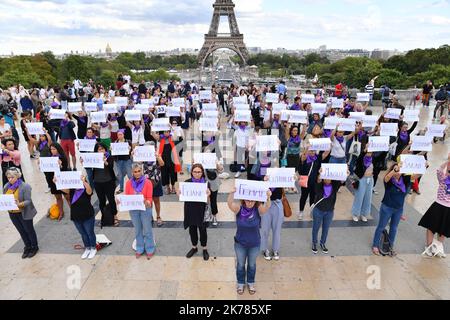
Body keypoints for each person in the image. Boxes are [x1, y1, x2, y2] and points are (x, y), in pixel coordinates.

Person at [227, 187, 271, 295]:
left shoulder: (258, 209)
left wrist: (268, 197)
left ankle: (251, 282)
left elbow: (267, 207)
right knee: (241, 264)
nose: (250, 203)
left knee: (251, 265)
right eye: (247, 200)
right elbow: (229, 204)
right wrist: (231, 193)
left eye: (252, 200)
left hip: (254, 244)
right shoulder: (239, 209)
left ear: (255, 200)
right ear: (243, 200)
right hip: (240, 243)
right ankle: (241, 283)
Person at [372, 162, 422, 256]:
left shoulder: (405, 180)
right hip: (387, 208)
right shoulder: (389, 181)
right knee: (381, 227)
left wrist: (424, 167)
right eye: (396, 169)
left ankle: (390, 247)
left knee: (394, 228)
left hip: (398, 209)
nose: (398, 171)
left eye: (399, 170)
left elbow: (416, 176)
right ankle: (375, 245)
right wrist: (395, 169)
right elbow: (386, 178)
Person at [177, 164, 212, 261]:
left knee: (203, 230)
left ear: (202, 173)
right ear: (191, 172)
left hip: (201, 210)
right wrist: (179, 193)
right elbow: (182, 197)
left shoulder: (206, 183)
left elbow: (208, 202)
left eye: (199, 172)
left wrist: (208, 195)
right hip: (190, 210)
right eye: (195, 172)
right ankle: (194, 247)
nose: (197, 174)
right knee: (192, 229)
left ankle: (204, 248)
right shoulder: (187, 183)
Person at [122, 163, 156, 259]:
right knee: (137, 230)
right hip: (134, 210)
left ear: (142, 171)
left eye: (139, 171)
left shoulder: (148, 182)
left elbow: (149, 197)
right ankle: (140, 248)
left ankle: (150, 248)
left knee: (147, 229)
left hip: (145, 209)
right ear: (132, 172)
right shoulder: (128, 183)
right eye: (135, 172)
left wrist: (148, 202)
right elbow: (127, 197)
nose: (137, 173)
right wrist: (120, 201)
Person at [3, 167, 38, 259]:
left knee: (29, 230)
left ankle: (34, 247)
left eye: (12, 177)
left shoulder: (25, 186)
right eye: (8, 177)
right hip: (12, 213)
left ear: (17, 177)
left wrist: (20, 204)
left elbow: (28, 201)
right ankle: (27, 246)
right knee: (21, 231)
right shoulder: (6, 186)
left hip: (24, 212)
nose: (10, 179)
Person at [419, 156, 450, 257]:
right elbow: (439, 170)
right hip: (438, 205)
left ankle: (437, 248)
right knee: (431, 227)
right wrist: (448, 161)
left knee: (443, 231)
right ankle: (428, 247)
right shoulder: (443, 179)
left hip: (448, 208)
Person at [311, 168, 346, 254]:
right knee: (316, 227)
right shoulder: (319, 185)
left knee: (326, 229)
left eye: (328, 177)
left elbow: (342, 181)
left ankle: (323, 243)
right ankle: (314, 243)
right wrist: (320, 174)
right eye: (325, 177)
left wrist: (346, 174)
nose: (327, 179)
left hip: (329, 211)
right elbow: (318, 180)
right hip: (318, 210)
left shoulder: (335, 185)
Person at [91, 143, 119, 227]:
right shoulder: (93, 158)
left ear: (105, 150)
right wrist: (83, 161)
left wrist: (105, 161)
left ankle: (115, 215)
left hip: (108, 181)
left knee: (111, 199)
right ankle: (104, 216)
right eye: (99, 149)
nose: (101, 151)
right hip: (97, 182)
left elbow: (111, 167)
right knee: (101, 200)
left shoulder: (109, 157)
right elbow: (88, 166)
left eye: (102, 149)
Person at [70, 175, 97, 260]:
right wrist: (56, 181)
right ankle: (87, 248)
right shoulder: (71, 190)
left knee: (90, 233)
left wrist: (84, 181)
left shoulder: (85, 190)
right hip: (76, 216)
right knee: (83, 234)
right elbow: (63, 189)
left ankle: (93, 248)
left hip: (87, 216)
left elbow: (90, 191)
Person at [143, 141, 165, 227]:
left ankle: (158, 216)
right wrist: (134, 153)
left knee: (156, 200)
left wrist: (158, 157)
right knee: (148, 200)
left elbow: (162, 164)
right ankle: (149, 216)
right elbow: (136, 161)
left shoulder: (157, 155)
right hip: (146, 182)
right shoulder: (143, 156)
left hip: (156, 181)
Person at [47, 143, 71, 220]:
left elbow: (65, 170)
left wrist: (60, 166)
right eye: (51, 149)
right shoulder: (49, 159)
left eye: (54, 149)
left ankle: (74, 211)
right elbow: (46, 171)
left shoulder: (63, 158)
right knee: (58, 197)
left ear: (58, 149)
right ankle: (61, 212)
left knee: (67, 197)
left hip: (62, 180)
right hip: (53, 180)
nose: (52, 151)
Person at [351, 146, 374, 222]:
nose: (369, 154)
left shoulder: (373, 160)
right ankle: (355, 214)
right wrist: (364, 151)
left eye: (370, 152)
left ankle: (364, 214)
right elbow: (359, 158)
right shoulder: (361, 159)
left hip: (370, 180)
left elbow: (381, 156)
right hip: (361, 180)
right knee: (359, 197)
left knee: (368, 197)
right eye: (368, 152)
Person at [158, 130, 181, 194]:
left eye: (168, 132)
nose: (166, 133)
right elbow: (154, 135)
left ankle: (173, 187)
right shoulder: (161, 138)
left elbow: (176, 135)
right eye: (165, 132)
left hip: (172, 158)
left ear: (169, 132)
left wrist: (171, 127)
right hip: (163, 159)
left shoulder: (172, 137)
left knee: (173, 173)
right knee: (165, 173)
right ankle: (167, 187)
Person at [113, 129, 132, 194]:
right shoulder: (115, 142)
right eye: (118, 135)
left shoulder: (128, 142)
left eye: (121, 134)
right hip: (119, 161)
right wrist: (112, 150)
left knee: (130, 175)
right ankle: (121, 188)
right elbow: (113, 152)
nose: (120, 136)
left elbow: (131, 152)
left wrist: (130, 149)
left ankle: (133, 187)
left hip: (127, 160)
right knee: (120, 175)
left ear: (123, 135)